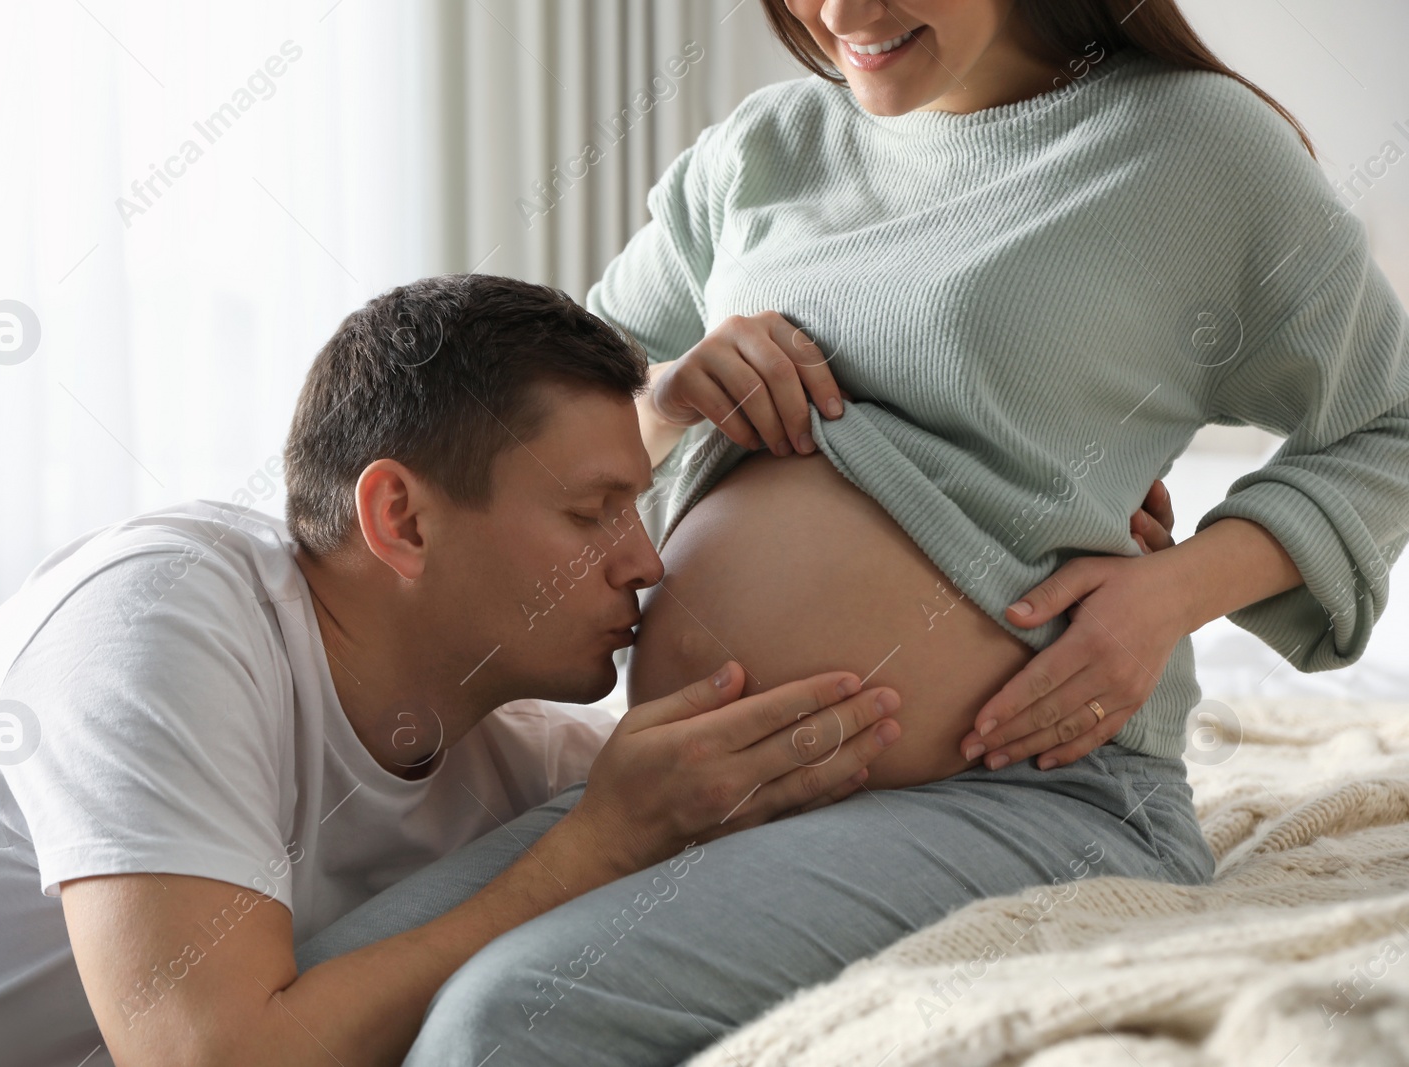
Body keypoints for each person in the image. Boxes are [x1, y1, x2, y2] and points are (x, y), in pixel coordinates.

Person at [295, 1, 1409, 1064]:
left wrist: (1173, 593)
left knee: (509, 1018)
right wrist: (670, 396)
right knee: (329, 987)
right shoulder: (766, 149)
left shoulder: (1194, 149)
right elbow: (563, 417)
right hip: (690, 778)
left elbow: (1389, 421)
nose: (838, 15)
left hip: (1024, 792)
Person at [0, 275, 914, 1067]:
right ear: (401, 516)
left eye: (639, 505)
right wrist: (598, 846)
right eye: (592, 513)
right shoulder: (162, 614)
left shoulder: (512, 758)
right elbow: (208, 1054)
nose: (643, 560)